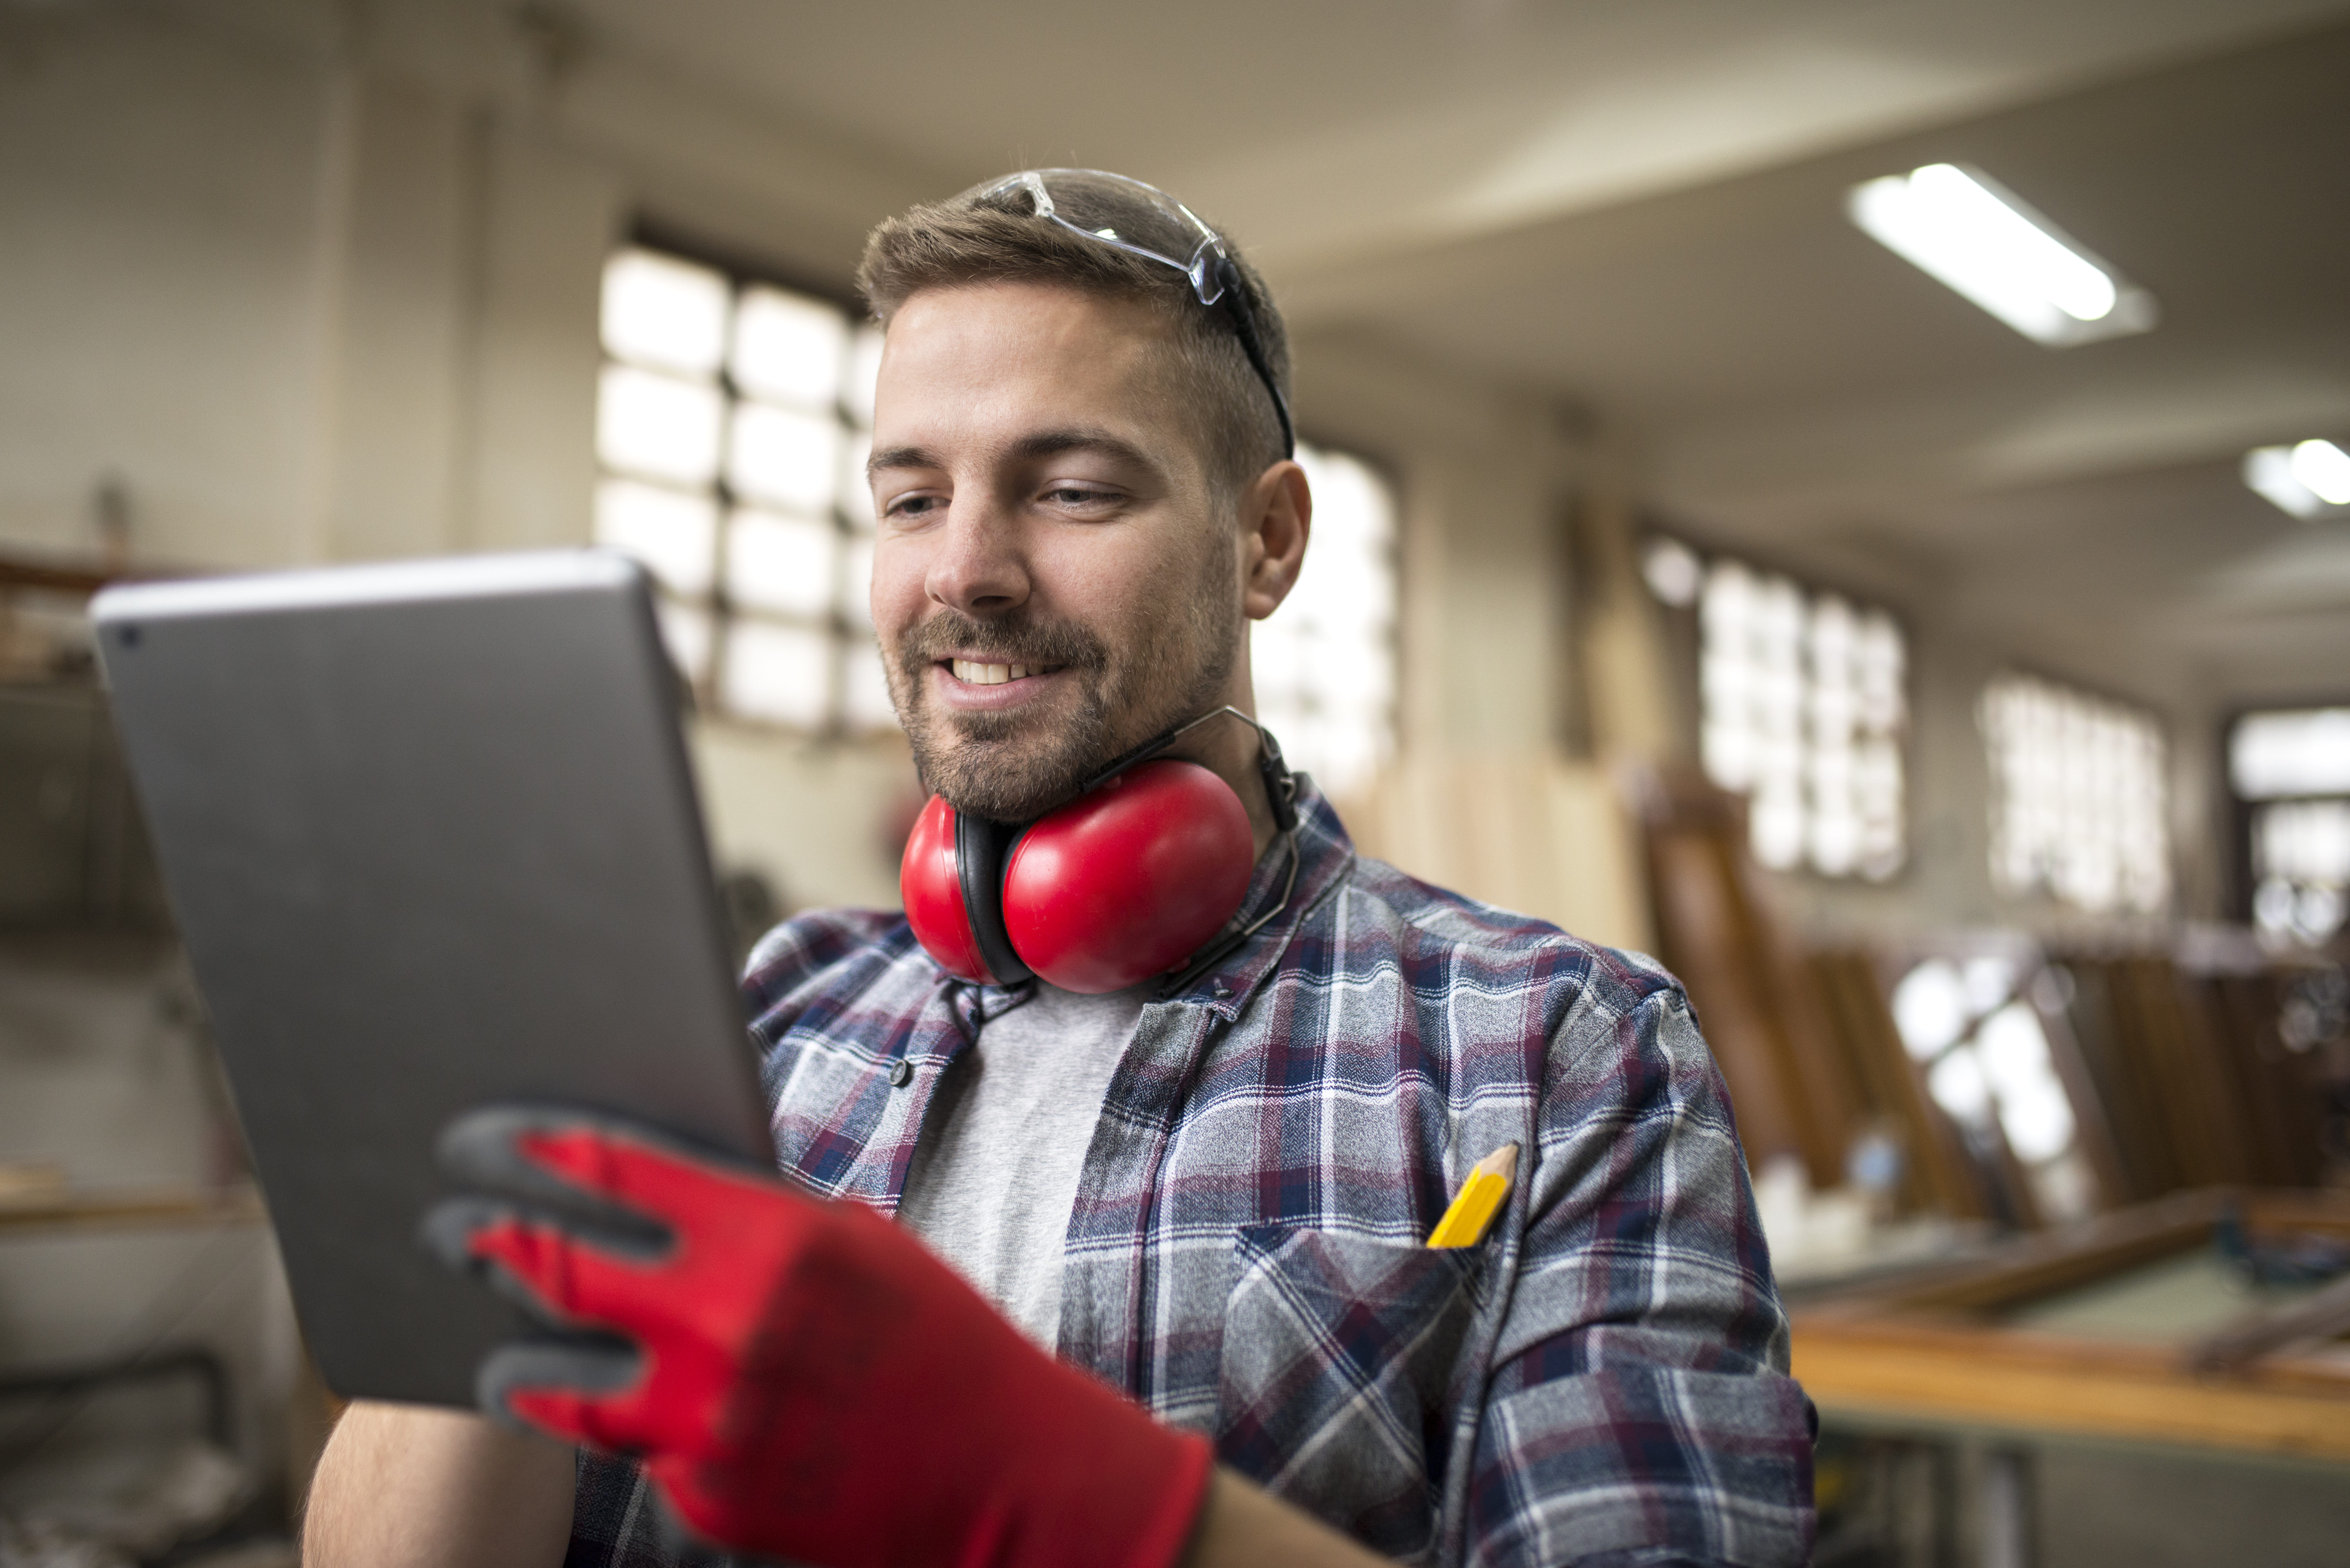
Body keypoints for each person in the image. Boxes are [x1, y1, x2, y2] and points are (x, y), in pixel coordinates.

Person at [304, 170, 1814, 1568]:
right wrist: (483, 1191)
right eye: (911, 497)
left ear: (1267, 542)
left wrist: (1063, 1493)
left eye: (1071, 487)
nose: (962, 569)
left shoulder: (1552, 1057)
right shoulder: (754, 1022)